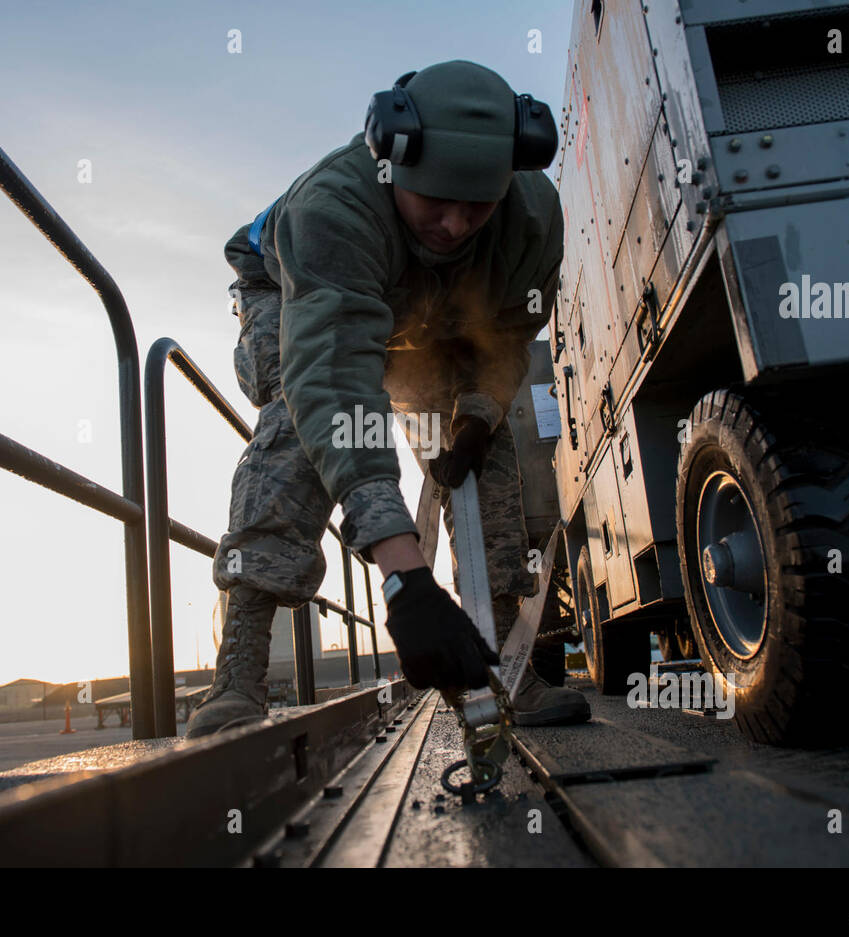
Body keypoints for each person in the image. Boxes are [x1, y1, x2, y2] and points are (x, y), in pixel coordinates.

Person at [186, 60, 590, 738]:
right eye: (436, 201)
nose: (457, 224)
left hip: (425, 319)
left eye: (477, 206)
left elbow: (507, 338)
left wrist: (476, 419)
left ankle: (506, 663)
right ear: (394, 159)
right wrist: (405, 579)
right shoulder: (333, 208)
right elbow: (336, 377)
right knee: (301, 421)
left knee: (483, 456)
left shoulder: (531, 219)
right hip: (292, 287)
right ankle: (239, 676)